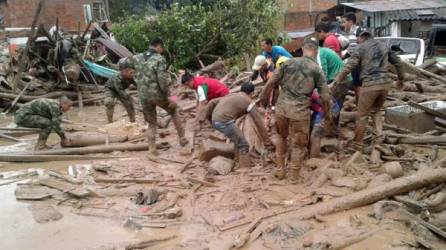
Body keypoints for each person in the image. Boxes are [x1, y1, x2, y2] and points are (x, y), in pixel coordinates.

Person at [259, 49, 331, 181]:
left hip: (282, 110)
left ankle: (280, 171)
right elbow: (325, 97)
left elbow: (270, 83)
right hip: (300, 112)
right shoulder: (316, 69)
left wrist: (263, 100)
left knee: (281, 138)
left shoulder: (287, 64)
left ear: (303, 49)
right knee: (298, 144)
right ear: (315, 51)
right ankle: (294, 177)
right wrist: (328, 114)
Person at [334, 28, 405, 151]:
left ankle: (357, 145)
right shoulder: (384, 46)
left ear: (360, 37)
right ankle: (378, 141)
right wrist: (401, 79)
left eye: (357, 38)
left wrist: (335, 81)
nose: (357, 40)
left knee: (362, 115)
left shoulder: (360, 48)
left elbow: (349, 66)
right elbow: (398, 62)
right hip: (385, 84)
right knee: (376, 111)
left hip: (370, 85)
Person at [128, 37, 188, 157]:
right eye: (162, 47)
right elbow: (162, 79)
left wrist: (140, 87)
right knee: (174, 110)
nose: (163, 50)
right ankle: (182, 139)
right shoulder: (160, 59)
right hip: (158, 94)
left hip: (143, 96)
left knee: (152, 123)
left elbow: (133, 74)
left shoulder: (136, 57)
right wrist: (168, 95)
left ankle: (152, 149)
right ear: (158, 46)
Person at [301, 37, 351, 157]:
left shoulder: (320, 54)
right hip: (333, 85)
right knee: (325, 115)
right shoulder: (317, 53)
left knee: (318, 127)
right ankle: (333, 131)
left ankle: (331, 134)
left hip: (340, 82)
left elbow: (322, 75)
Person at [200, 82, 268, 168]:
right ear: (252, 93)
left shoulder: (231, 95)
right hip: (224, 122)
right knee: (243, 144)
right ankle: (245, 168)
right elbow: (258, 121)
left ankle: (237, 160)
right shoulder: (249, 102)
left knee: (237, 139)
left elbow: (212, 102)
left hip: (216, 120)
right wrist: (267, 141)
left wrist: (209, 120)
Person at [104, 58, 136, 123]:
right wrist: (129, 97)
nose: (132, 74)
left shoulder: (132, 76)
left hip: (121, 89)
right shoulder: (117, 77)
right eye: (130, 72)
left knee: (129, 103)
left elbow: (139, 85)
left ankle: (133, 121)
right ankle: (110, 122)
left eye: (133, 72)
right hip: (111, 89)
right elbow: (120, 91)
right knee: (109, 102)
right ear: (124, 72)